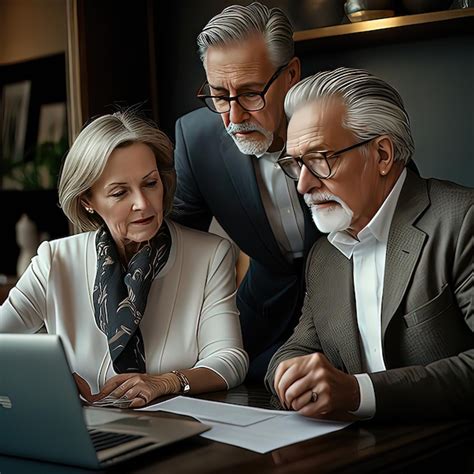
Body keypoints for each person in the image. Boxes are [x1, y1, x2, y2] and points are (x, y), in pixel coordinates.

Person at [265, 67, 474, 421]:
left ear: (382, 155)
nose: (303, 185)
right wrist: (291, 374)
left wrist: (357, 392)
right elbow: (298, 349)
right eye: (297, 164)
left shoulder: (462, 220)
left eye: (320, 159)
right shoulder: (325, 254)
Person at [0, 110, 248, 407]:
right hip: (85, 431)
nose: (142, 204)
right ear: (87, 201)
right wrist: (44, 375)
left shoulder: (210, 255)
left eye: (150, 183)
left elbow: (230, 359)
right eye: (120, 193)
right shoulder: (55, 261)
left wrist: (168, 381)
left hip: (180, 428)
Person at [172, 2, 320, 381]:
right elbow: (173, 246)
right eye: (220, 96)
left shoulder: (343, 119)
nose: (234, 118)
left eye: (251, 93)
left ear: (291, 75)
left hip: (348, 314)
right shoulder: (196, 138)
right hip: (259, 319)